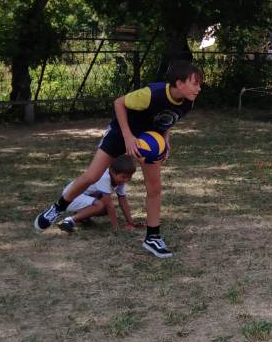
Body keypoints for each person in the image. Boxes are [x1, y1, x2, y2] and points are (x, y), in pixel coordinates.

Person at [34, 60, 202, 258]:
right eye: (195, 83)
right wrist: (128, 136)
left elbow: (167, 120)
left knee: (154, 188)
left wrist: (165, 140)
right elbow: (119, 103)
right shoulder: (152, 93)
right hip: (121, 132)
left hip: (148, 140)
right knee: (92, 176)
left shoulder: (188, 102)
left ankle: (152, 237)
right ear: (179, 83)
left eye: (199, 84)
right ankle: (57, 208)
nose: (199, 88)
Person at [55, 154, 139, 233]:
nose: (126, 180)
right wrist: (116, 228)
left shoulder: (120, 180)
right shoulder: (104, 177)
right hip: (69, 198)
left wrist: (131, 223)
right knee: (100, 205)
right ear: (112, 171)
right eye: (124, 177)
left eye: (129, 177)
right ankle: (69, 220)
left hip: (81, 197)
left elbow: (123, 201)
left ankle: (82, 217)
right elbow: (109, 205)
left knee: (105, 208)